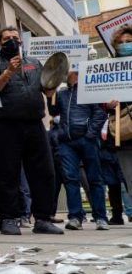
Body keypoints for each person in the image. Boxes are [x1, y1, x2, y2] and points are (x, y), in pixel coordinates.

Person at [0, 26, 63, 235]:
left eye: (15, 37)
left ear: (21, 41)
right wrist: (8, 72)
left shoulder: (34, 63)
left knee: (44, 172)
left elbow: (47, 90)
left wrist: (55, 80)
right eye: (6, 38)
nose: (12, 41)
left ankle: (43, 219)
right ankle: (10, 218)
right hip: (6, 124)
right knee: (7, 173)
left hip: (34, 124)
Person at [48, 72, 109, 231]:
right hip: (66, 143)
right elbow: (53, 111)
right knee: (70, 179)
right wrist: (50, 94)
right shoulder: (61, 93)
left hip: (87, 141)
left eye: (72, 71)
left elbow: (100, 114)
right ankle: (75, 217)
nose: (69, 74)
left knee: (94, 179)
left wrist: (89, 135)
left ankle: (101, 217)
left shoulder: (90, 91)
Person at [103, 24, 132, 224]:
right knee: (130, 178)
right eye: (120, 43)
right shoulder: (109, 68)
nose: (124, 46)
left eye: (129, 42)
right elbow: (100, 98)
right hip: (125, 132)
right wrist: (108, 103)